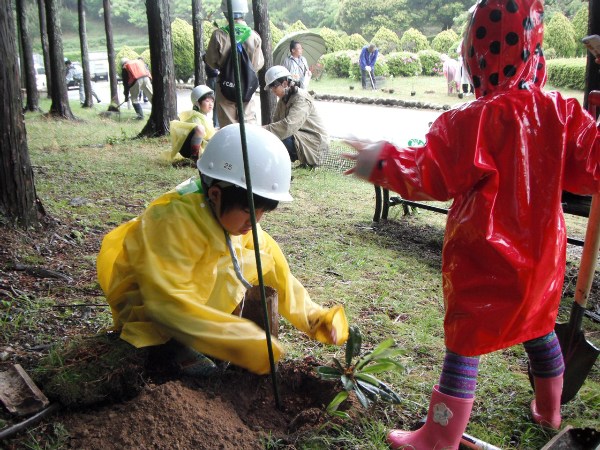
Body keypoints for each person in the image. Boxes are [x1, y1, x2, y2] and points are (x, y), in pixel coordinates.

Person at [344, 1, 600, 448]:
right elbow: (592, 166)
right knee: (539, 328)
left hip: (484, 258)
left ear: (474, 57)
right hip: (543, 260)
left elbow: (431, 172)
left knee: (465, 343)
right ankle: (549, 409)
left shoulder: (473, 119)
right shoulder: (563, 113)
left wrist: (381, 160)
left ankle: (440, 436)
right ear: (535, 53)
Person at [97, 124, 349, 376]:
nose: (255, 221)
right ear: (216, 195)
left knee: (255, 257)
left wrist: (315, 318)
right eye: (250, 210)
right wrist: (239, 339)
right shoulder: (171, 222)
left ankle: (207, 348)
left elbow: (273, 269)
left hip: (201, 321)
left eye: (262, 212)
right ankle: (167, 360)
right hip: (156, 326)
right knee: (210, 382)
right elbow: (167, 305)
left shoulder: (234, 223)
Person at [205, 0, 264, 127]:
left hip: (226, 84)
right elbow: (258, 64)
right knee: (248, 121)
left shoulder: (219, 35)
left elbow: (210, 61)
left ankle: (233, 146)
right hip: (247, 84)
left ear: (226, 13)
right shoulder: (254, 36)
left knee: (228, 123)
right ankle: (248, 145)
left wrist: (225, 66)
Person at [263, 66, 328, 168]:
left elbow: (288, 126)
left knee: (279, 138)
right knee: (273, 137)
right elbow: (276, 121)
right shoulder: (284, 99)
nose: (272, 90)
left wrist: (263, 130)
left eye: (273, 86)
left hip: (315, 145)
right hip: (301, 138)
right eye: (271, 87)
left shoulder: (301, 98)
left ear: (285, 83)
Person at [164, 85, 217, 164]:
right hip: (187, 148)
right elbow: (201, 133)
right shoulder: (194, 116)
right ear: (197, 103)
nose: (210, 104)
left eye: (212, 101)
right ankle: (194, 159)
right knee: (200, 128)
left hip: (201, 146)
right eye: (207, 101)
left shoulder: (206, 117)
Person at [203, 54, 220, 128]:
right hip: (214, 80)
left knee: (210, 102)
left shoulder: (207, 61)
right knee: (212, 102)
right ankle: (215, 124)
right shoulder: (209, 62)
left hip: (211, 80)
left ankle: (214, 123)